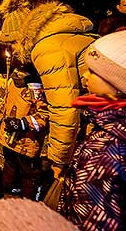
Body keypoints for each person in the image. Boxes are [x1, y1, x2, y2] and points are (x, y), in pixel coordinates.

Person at [4, 0, 97, 183]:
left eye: (11, 43)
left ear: (22, 38)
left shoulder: (49, 49)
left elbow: (64, 109)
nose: (10, 50)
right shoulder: (58, 36)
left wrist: (59, 161)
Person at [57, 30, 126, 231]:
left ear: (119, 86)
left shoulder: (107, 151)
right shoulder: (111, 124)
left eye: (93, 72)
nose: (85, 76)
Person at [0, 0, 49, 200]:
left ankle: (29, 201)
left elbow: (44, 116)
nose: (9, 51)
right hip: (9, 139)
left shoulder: (37, 81)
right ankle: (9, 192)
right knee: (9, 165)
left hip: (27, 143)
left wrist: (22, 124)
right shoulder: (15, 76)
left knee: (29, 173)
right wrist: (2, 121)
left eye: (13, 45)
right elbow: (9, 103)